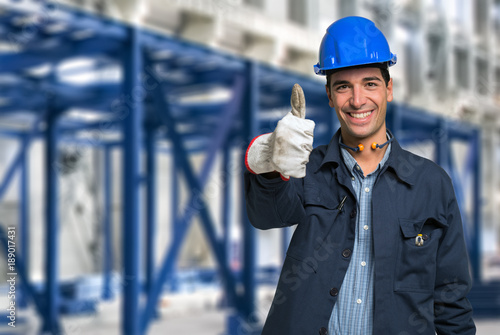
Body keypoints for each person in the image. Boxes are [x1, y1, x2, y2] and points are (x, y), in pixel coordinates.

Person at [244, 16, 475, 335]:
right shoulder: (306, 168)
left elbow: (451, 300)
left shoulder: (431, 184)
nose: (357, 100)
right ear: (329, 95)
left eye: (370, 83)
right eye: (343, 87)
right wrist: (266, 162)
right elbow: (266, 214)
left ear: (388, 89)